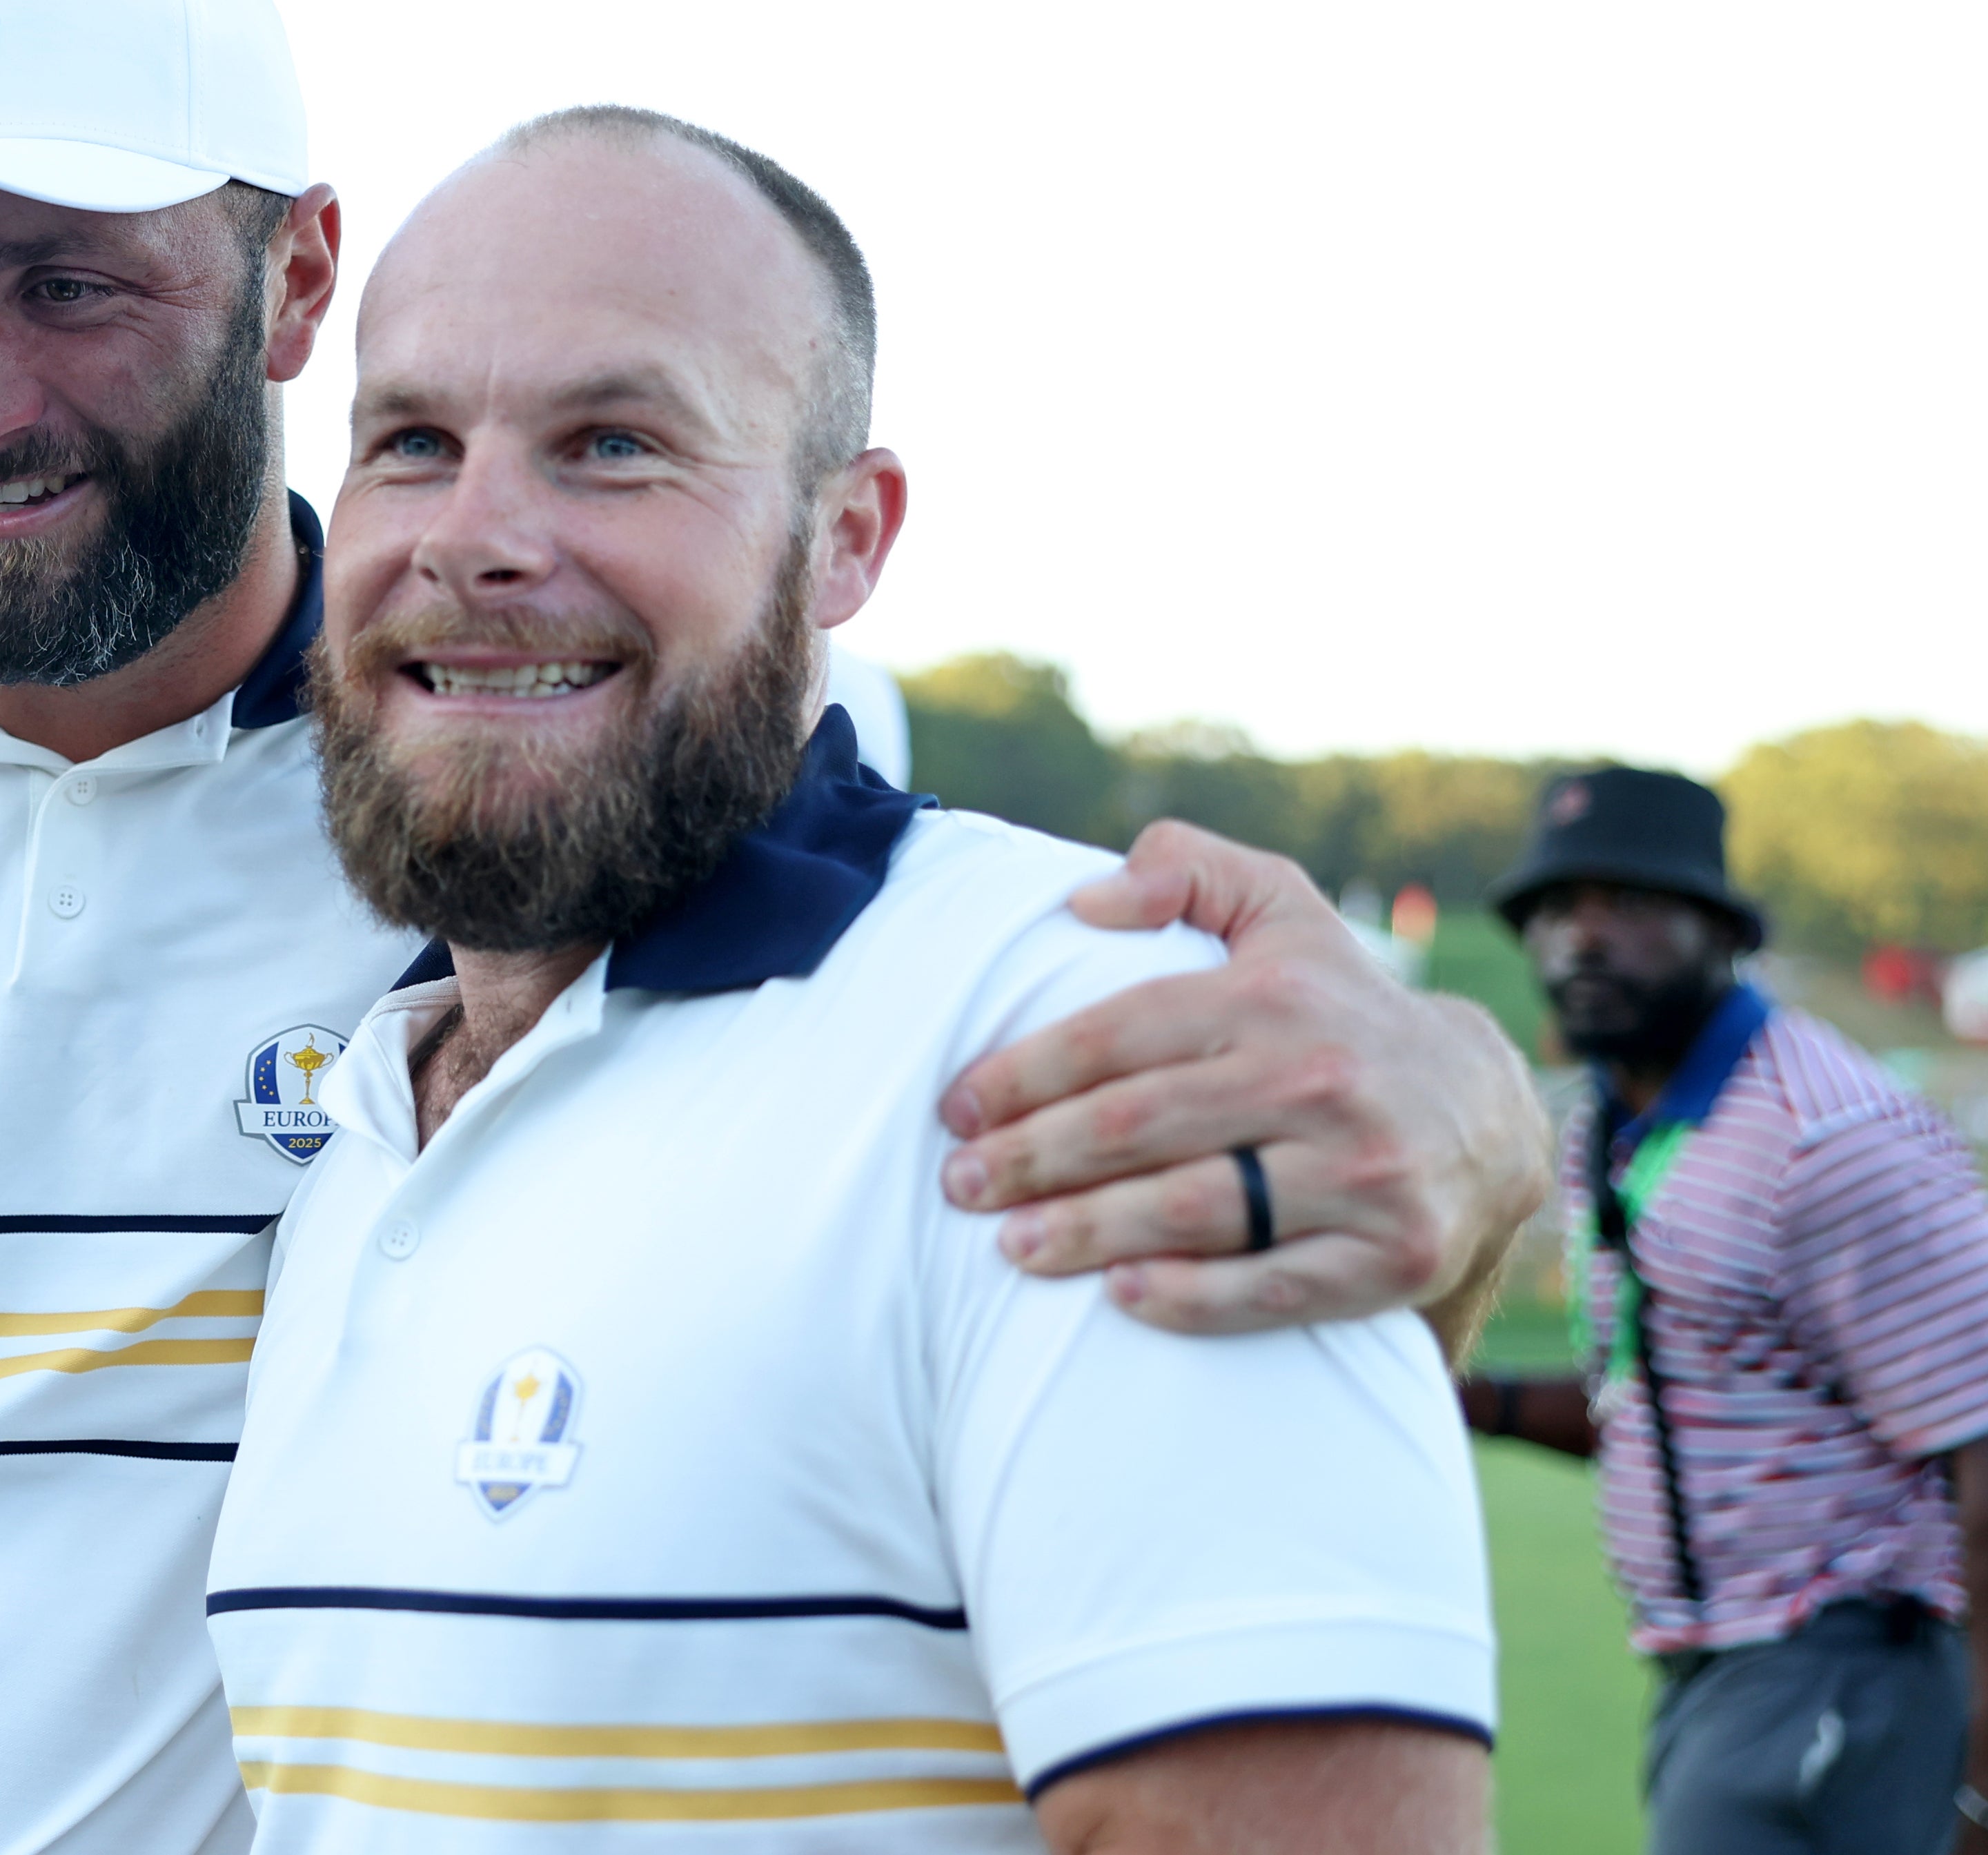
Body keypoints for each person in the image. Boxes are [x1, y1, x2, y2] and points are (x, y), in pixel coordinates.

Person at [0, 0, 1549, 1855]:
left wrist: (1475, 1109)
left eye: (67, 283)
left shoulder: (567, 789)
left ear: (290, 285)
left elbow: (973, 1032)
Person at [208, 106, 1496, 1852]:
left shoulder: (1085, 1045)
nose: (475, 533)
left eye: (612, 442)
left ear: (846, 536)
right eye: (412, 438)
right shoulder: (364, 1126)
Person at [1456, 766, 1988, 1855]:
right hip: (1716, 1669)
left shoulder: (1823, 1136)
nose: (1584, 940)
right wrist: (1449, 1390)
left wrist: (1980, 1783)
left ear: (1718, 930)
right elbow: (1672, 1398)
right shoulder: (1618, 1123)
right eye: (1557, 909)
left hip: (1840, 1669)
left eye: (1631, 905)